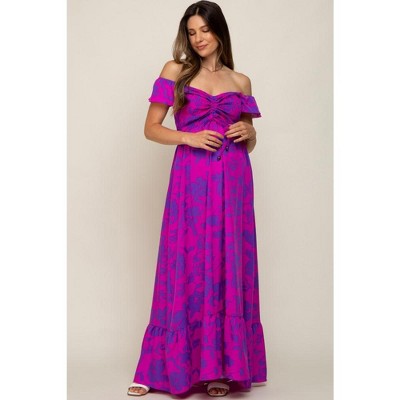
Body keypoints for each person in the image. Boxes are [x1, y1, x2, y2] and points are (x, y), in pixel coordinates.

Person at [127, 1, 267, 397]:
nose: (198, 38)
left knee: (226, 264)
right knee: (184, 262)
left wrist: (250, 134)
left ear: (219, 31)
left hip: (234, 182)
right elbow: (151, 128)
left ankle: (219, 370)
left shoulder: (241, 81)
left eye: (204, 29)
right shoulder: (176, 71)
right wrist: (188, 137)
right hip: (191, 180)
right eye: (191, 32)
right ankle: (159, 368)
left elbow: (249, 138)